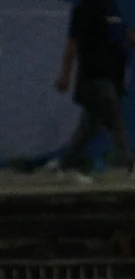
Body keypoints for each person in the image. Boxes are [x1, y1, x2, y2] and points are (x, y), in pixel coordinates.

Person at [55, 0, 135, 180]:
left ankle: (67, 166)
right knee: (114, 118)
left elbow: (124, 34)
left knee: (89, 126)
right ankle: (128, 165)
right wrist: (65, 75)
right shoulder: (83, 10)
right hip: (94, 75)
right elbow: (72, 43)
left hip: (113, 76)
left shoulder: (112, 8)